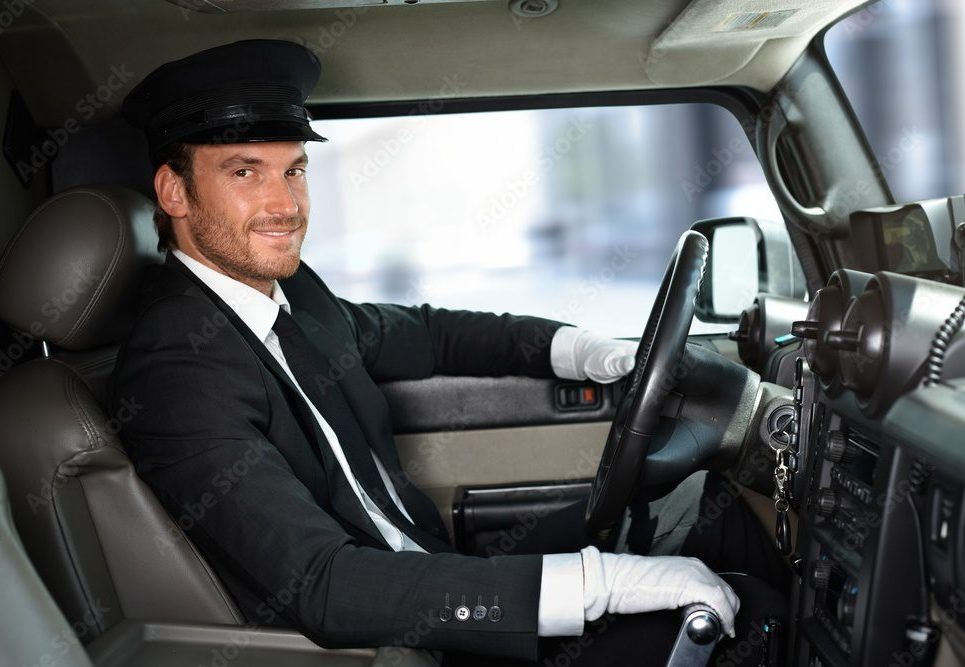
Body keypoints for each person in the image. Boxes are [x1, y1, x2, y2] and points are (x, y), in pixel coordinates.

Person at [113, 39, 784, 666]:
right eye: (244, 172)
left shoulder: (289, 293)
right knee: (751, 619)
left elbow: (428, 333)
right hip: (399, 635)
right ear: (174, 191)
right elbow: (324, 586)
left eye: (294, 170)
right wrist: (594, 586)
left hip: (427, 562)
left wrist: (573, 347)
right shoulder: (177, 369)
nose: (284, 204)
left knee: (703, 501)